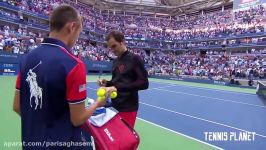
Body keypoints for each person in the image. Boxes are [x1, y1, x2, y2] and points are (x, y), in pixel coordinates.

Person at [13, 4, 114, 149]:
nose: (78, 38)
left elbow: (17, 106)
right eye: (79, 32)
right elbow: (77, 119)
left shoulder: (27, 59)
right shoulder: (73, 64)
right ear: (72, 27)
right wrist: (99, 103)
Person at [98, 30, 149, 127]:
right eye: (110, 47)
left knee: (124, 140)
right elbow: (116, 82)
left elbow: (144, 83)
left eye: (114, 46)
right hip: (114, 106)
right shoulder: (115, 61)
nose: (112, 50)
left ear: (122, 42)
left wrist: (117, 87)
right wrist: (107, 83)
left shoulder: (135, 59)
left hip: (128, 108)